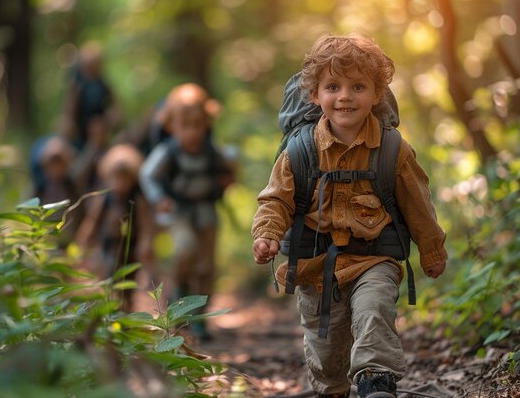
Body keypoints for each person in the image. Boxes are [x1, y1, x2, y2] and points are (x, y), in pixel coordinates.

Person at [251, 34, 447, 398]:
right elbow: (275, 200)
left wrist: (432, 250)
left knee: (374, 309)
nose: (345, 96)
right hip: (316, 265)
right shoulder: (300, 150)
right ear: (315, 95)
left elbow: (418, 203)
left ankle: (377, 379)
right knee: (326, 353)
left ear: (376, 94)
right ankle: (334, 390)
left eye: (358, 86)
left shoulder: (392, 149)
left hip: (374, 257)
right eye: (333, 86)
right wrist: (267, 234)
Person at [139, 83, 233, 340]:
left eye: (198, 125)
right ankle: (179, 293)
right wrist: (159, 198)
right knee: (186, 249)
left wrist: (227, 177)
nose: (192, 132)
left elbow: (228, 165)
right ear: (171, 125)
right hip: (179, 211)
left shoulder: (211, 151)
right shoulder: (167, 152)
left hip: (206, 210)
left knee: (206, 266)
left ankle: (200, 317)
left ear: (207, 124)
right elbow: (148, 175)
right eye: (185, 125)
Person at [75, 144, 151, 310]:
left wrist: (146, 243)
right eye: (115, 178)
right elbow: (93, 220)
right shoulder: (105, 199)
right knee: (108, 278)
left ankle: (126, 308)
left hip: (130, 247)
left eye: (124, 179)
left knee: (129, 282)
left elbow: (145, 224)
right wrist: (83, 241)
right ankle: (109, 310)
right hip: (109, 246)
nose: (120, 183)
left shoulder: (137, 200)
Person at [60, 42, 117, 151]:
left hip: (99, 128)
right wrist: (69, 123)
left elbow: (115, 107)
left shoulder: (103, 84)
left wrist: (107, 120)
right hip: (81, 130)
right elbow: (70, 107)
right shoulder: (78, 83)